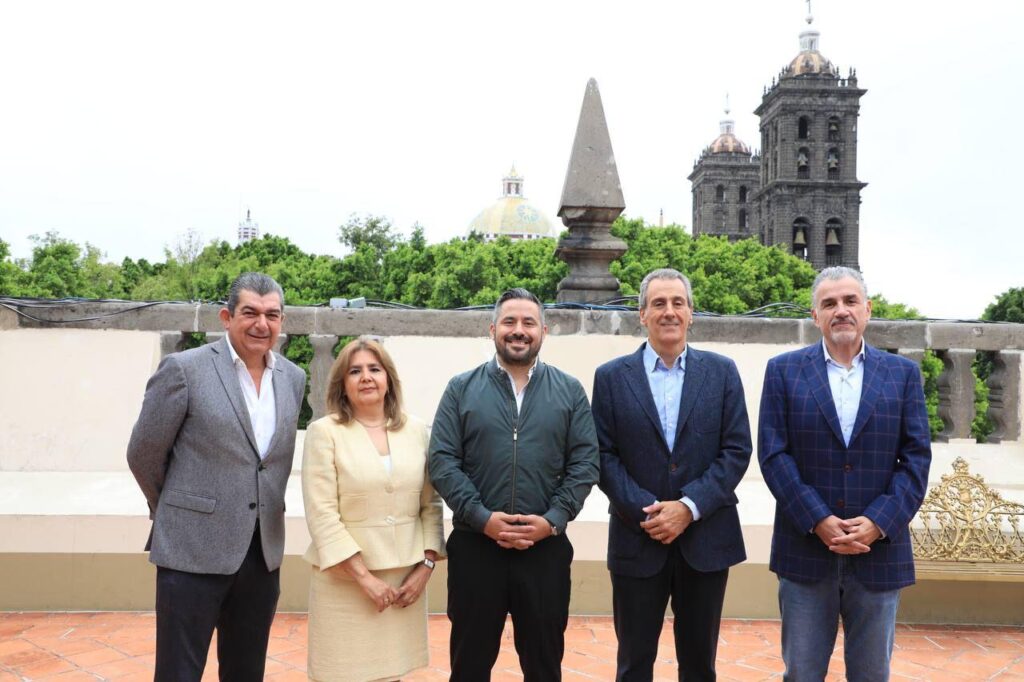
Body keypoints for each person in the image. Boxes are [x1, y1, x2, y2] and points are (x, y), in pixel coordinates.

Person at [126, 272, 307, 681]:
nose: (262, 324)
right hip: (191, 549)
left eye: (272, 315)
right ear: (226, 317)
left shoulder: (293, 379)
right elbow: (143, 453)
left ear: (282, 321)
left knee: (246, 671)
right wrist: (176, 509)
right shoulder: (184, 369)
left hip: (261, 554)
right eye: (250, 312)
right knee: (179, 672)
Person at [758, 266, 931, 681]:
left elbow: (915, 460)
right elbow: (774, 455)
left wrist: (878, 522)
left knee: (872, 674)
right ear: (815, 315)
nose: (841, 310)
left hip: (878, 554)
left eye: (850, 301)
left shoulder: (903, 375)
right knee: (801, 673)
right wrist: (818, 519)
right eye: (829, 303)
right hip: (805, 550)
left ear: (867, 310)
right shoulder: (783, 371)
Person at [428, 288, 599, 682]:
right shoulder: (461, 388)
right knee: (469, 666)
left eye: (528, 323)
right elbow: (443, 460)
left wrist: (553, 519)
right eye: (509, 321)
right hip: (476, 547)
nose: (518, 330)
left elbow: (585, 462)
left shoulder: (569, 390)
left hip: (544, 550)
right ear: (493, 329)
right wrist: (481, 517)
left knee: (543, 667)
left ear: (544, 331)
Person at [592, 267, 752, 682]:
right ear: (642, 314)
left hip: (706, 539)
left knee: (700, 666)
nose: (669, 311)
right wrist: (648, 511)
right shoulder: (611, 377)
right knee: (633, 665)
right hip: (636, 537)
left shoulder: (722, 372)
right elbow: (602, 455)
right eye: (658, 303)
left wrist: (688, 507)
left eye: (678, 303)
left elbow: (736, 450)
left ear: (691, 313)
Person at [301, 336, 444, 682]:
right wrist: (365, 579)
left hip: (403, 583)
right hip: (346, 583)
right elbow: (322, 514)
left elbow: (431, 504)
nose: (366, 377)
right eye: (355, 371)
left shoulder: (417, 431)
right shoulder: (324, 433)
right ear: (342, 384)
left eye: (374, 369)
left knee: (391, 675)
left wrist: (426, 567)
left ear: (388, 379)